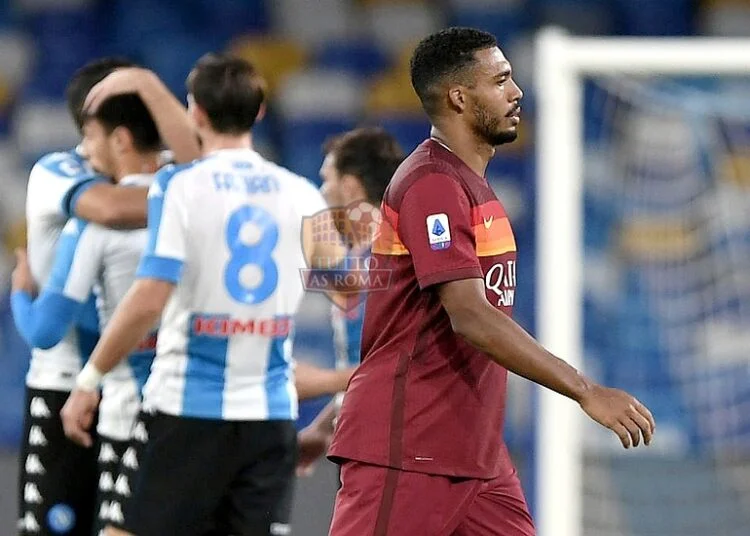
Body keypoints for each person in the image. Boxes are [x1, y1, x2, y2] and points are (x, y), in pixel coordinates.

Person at [327, 27, 656, 536]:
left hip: (474, 455)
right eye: (500, 80)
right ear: (459, 97)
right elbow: (470, 314)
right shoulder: (432, 183)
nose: (516, 91)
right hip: (410, 447)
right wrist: (584, 389)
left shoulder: (470, 185)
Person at [59, 53, 345, 536]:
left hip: (187, 409)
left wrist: (90, 378)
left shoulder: (179, 186)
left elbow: (150, 295)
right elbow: (347, 283)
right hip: (269, 415)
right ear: (258, 113)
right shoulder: (301, 194)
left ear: (196, 114)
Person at [12, 56, 198, 536]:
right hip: (65, 381)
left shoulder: (164, 172)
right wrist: (188, 193)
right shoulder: (57, 170)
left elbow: (202, 159)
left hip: (139, 388)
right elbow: (112, 208)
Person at [295, 127, 405, 475]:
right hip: (369, 435)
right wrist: (324, 426)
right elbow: (367, 363)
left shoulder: (389, 261)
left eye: (326, 179)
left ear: (350, 187)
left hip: (391, 441)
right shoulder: (365, 259)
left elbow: (394, 368)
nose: (321, 191)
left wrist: (315, 383)